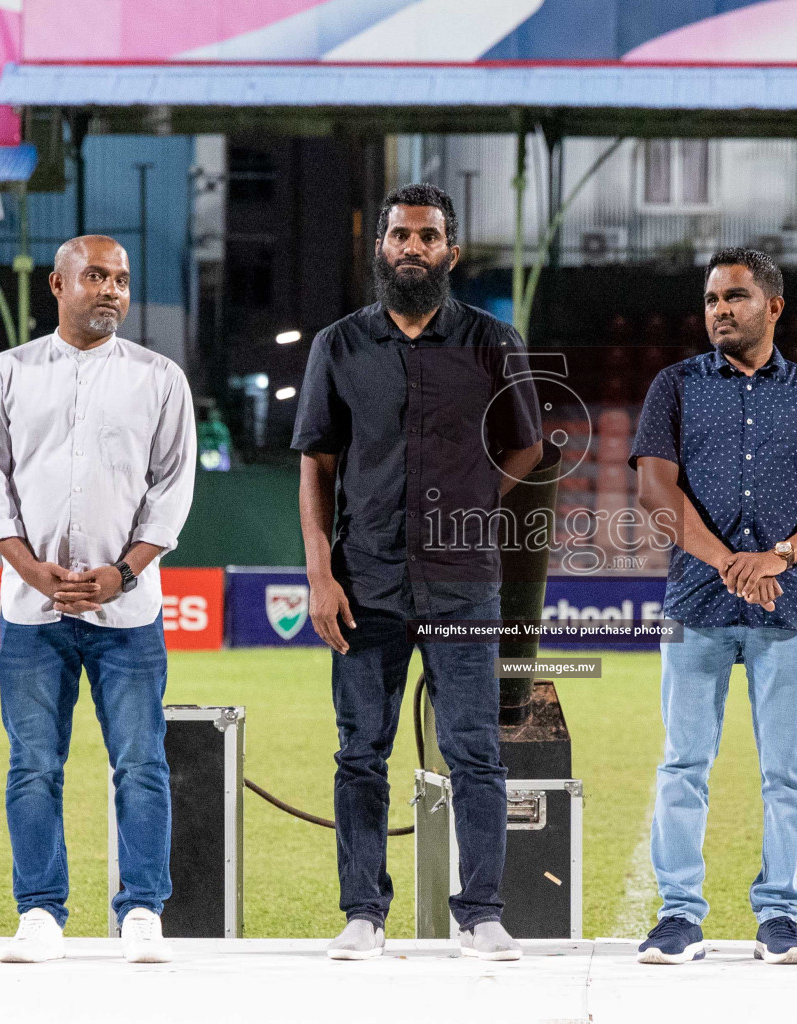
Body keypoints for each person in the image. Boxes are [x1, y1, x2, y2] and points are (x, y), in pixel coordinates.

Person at [293, 184, 543, 962]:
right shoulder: (338, 345)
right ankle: (363, 912)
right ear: (381, 248)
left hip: (463, 578)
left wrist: (470, 501)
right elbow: (316, 465)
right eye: (399, 234)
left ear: (451, 253)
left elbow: (527, 447)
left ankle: (483, 913)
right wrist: (319, 573)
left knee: (475, 749)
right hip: (363, 580)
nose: (412, 247)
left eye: (428, 237)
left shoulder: (495, 342)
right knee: (359, 749)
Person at [630, 248, 797, 966]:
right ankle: (678, 915)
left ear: (774, 306)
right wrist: (731, 563)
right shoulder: (673, 386)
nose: (719, 311)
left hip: (787, 606)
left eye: (734, 297)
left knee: (787, 770)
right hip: (694, 601)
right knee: (683, 765)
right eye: (710, 300)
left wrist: (780, 557)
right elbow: (654, 491)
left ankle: (780, 915)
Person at [0, 235, 197, 964]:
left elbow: (172, 489)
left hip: (127, 612)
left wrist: (122, 573)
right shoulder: (5, 375)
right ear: (58, 286)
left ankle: (142, 912)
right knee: (34, 763)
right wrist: (32, 570)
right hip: (31, 613)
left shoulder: (160, 379)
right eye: (96, 276)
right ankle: (40, 913)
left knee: (142, 761)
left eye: (122, 280)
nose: (112, 291)